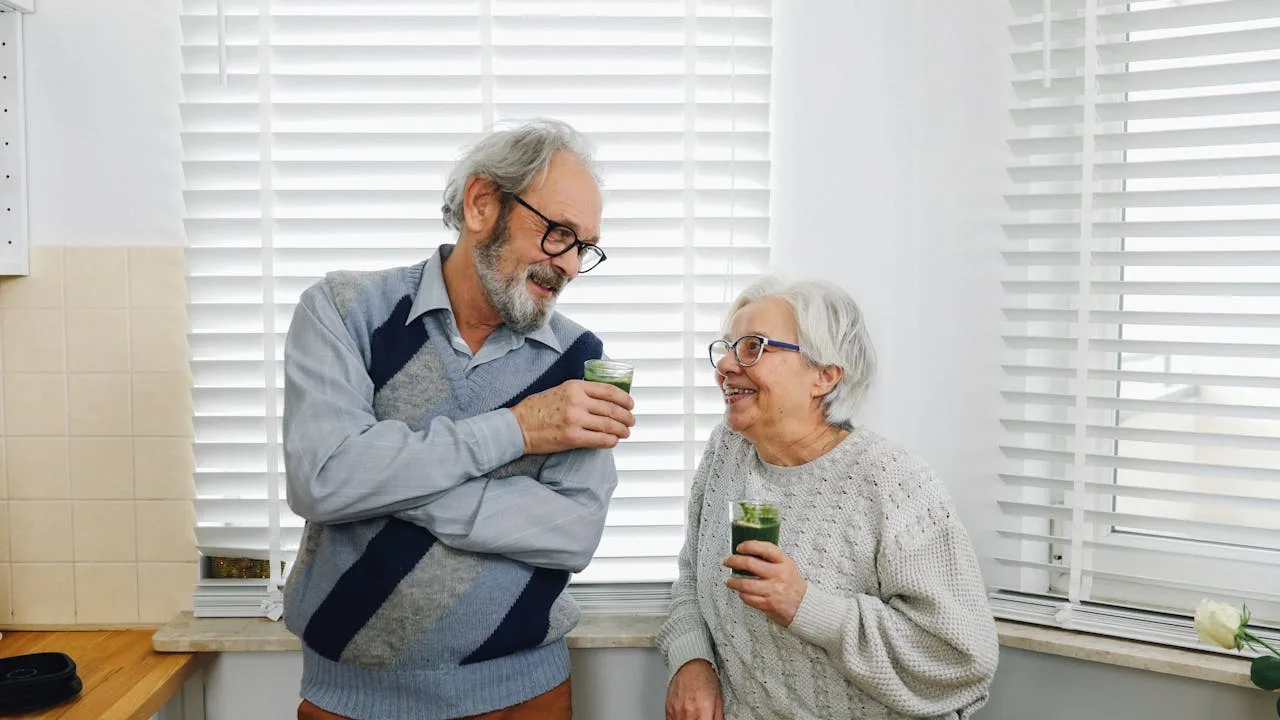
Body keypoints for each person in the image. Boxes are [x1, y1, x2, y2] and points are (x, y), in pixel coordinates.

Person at [281, 119, 635, 720]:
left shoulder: (582, 361)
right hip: (351, 700)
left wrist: (379, 484)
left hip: (525, 696)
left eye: (584, 247)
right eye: (558, 234)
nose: (570, 265)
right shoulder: (342, 311)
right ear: (481, 205)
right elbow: (321, 479)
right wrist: (517, 430)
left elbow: (573, 533)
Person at [657, 277, 999, 720]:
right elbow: (691, 575)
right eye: (728, 346)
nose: (724, 363)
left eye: (753, 347)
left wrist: (805, 606)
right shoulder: (729, 451)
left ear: (824, 376)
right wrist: (691, 659)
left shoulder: (894, 481)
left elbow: (963, 657)